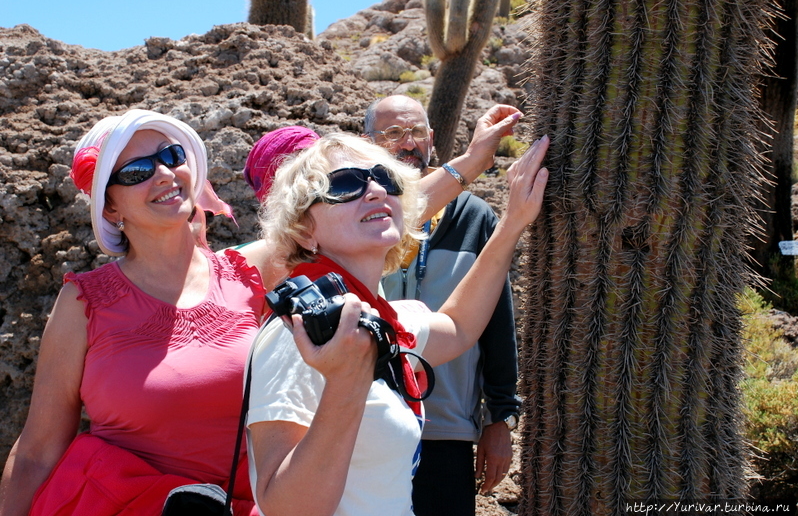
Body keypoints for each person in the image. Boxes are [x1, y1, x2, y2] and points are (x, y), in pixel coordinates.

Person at [246, 132, 549, 516]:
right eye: (344, 185)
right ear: (305, 231)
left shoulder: (378, 317)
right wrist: (346, 385)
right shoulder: (299, 335)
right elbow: (284, 507)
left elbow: (457, 327)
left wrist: (513, 222)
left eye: (384, 179)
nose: (374, 190)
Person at [0, 109, 267, 516]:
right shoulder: (83, 303)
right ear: (110, 209)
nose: (163, 173)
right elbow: (37, 451)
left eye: (171, 156)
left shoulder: (249, 280)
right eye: (136, 171)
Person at [365, 95, 520, 515]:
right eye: (393, 134)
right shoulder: (357, 221)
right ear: (368, 143)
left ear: (432, 139)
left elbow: (496, 323)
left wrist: (500, 418)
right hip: (365, 428)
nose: (407, 143)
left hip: (446, 431)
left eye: (416, 132)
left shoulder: (474, 216)